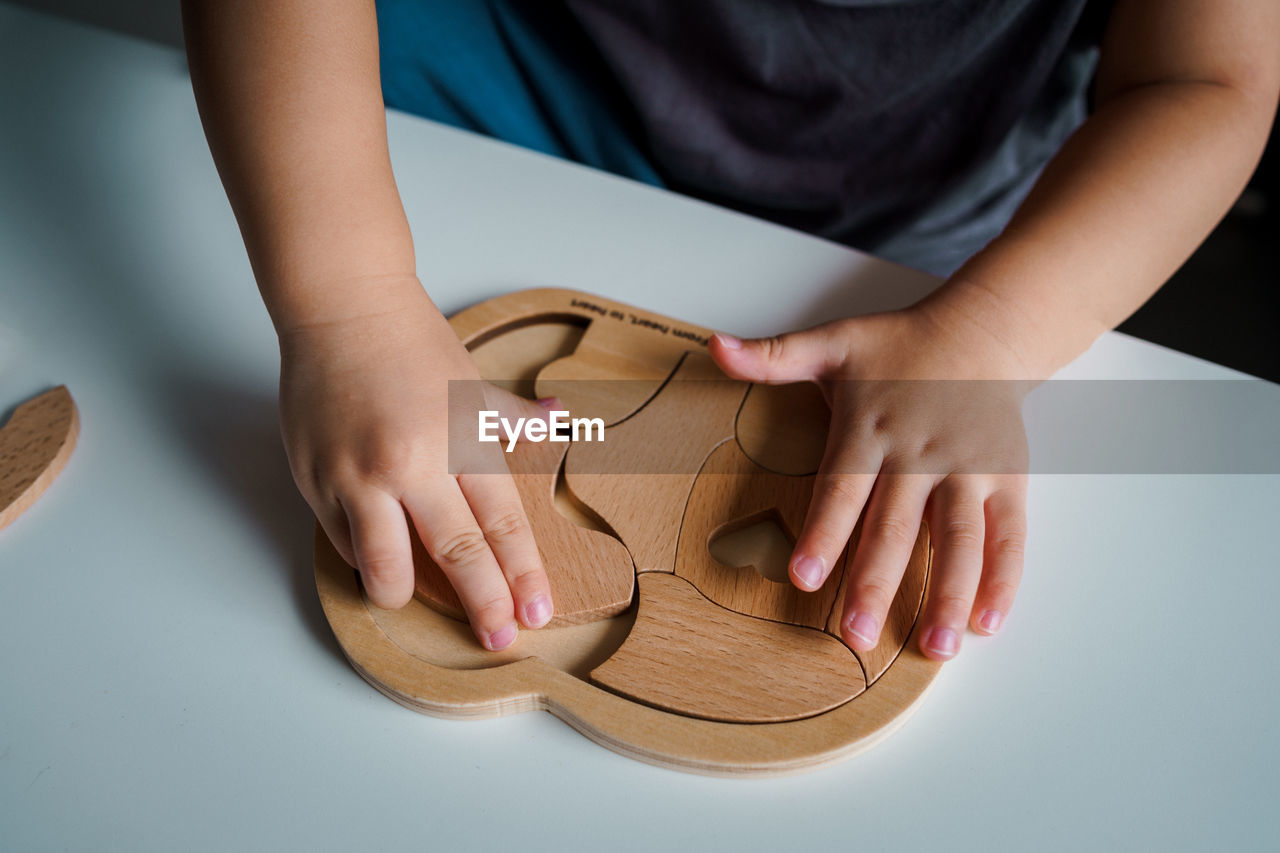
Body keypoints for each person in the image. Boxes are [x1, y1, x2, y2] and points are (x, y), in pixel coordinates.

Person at [180, 1, 1279, 658]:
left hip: (929, 212)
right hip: (529, 76)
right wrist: (346, 302)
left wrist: (994, 330)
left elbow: (1204, 76)